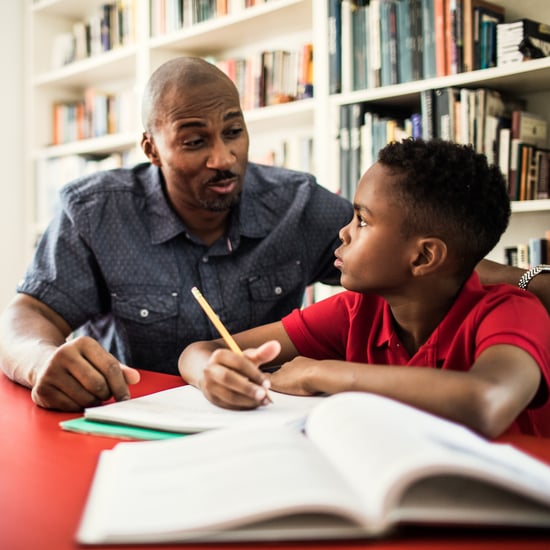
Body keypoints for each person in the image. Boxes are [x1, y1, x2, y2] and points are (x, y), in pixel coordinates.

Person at [0, 57, 353, 411]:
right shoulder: (95, 212)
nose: (223, 159)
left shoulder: (298, 204)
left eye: (233, 132)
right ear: (151, 149)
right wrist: (40, 361)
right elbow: (29, 315)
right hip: (134, 421)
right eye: (195, 141)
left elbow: (395, 267)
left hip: (265, 415)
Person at [179, 139, 550, 439]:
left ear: (423, 257)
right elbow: (202, 350)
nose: (343, 233)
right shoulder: (359, 311)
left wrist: (323, 374)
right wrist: (208, 373)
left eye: (362, 220)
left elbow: (486, 402)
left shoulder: (511, 312)